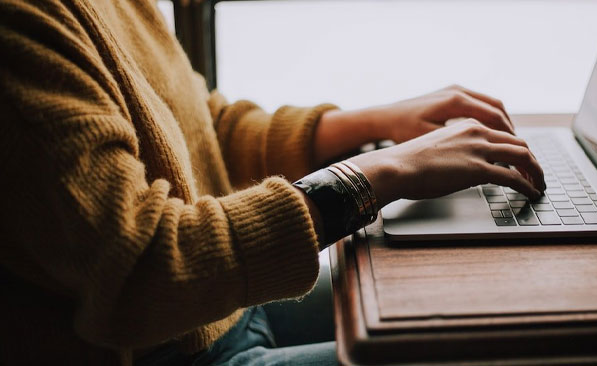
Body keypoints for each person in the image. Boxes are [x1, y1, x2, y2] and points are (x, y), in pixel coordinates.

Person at [0, 0, 545, 365]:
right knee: (492, 353)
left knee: (489, 306)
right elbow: (143, 270)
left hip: (226, 304)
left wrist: (376, 123)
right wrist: (382, 172)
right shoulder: (18, 27)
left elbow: (197, 126)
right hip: (178, 350)